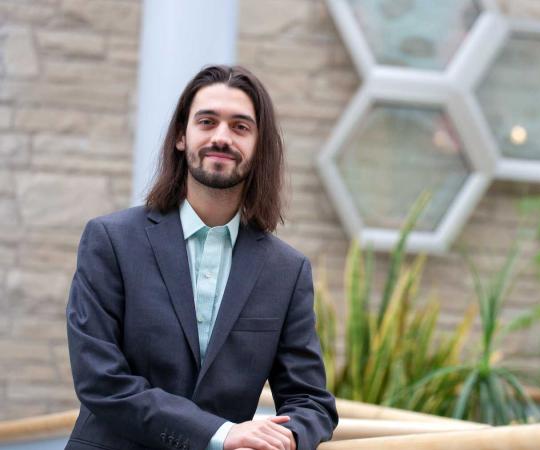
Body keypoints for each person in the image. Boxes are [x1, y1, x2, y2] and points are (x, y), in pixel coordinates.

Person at [65, 65, 337, 450]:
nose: (221, 137)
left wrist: (285, 437)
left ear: (259, 146)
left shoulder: (287, 271)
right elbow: (99, 379)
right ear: (181, 135)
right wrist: (222, 433)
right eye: (207, 122)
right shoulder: (110, 241)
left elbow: (311, 401)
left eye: (240, 127)